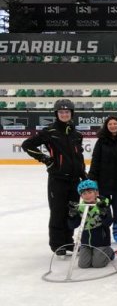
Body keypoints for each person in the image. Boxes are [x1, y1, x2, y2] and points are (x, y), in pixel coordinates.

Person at [22, 98, 86, 255]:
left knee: (72, 211)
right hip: (58, 179)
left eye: (67, 112)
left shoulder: (77, 134)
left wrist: (83, 174)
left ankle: (68, 241)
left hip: (74, 180)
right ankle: (57, 245)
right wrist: (45, 159)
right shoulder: (49, 132)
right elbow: (27, 145)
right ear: (56, 114)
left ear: (72, 113)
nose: (64, 114)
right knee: (58, 212)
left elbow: (79, 157)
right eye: (61, 112)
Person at [87, 115, 117, 243]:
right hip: (103, 177)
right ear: (106, 126)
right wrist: (92, 177)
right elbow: (95, 159)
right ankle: (105, 227)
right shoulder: (101, 141)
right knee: (104, 204)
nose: (113, 126)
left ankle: (116, 228)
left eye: (115, 124)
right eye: (110, 124)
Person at [68, 179, 114, 268]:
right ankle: (93, 253)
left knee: (98, 264)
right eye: (84, 193)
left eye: (90, 192)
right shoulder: (80, 208)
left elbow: (108, 223)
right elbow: (73, 225)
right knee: (83, 265)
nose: (87, 195)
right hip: (86, 242)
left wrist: (103, 213)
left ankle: (109, 252)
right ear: (81, 196)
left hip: (101, 241)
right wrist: (72, 215)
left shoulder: (103, 205)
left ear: (96, 193)